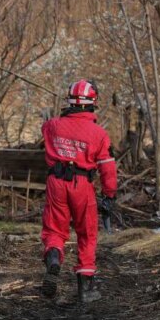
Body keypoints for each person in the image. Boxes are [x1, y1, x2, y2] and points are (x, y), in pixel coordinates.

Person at [40, 79, 117, 303]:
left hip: (56, 181)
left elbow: (46, 130)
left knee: (54, 228)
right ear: (92, 102)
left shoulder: (52, 125)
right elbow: (108, 168)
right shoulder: (99, 134)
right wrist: (109, 195)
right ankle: (86, 287)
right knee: (86, 233)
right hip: (82, 185)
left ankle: (54, 257)